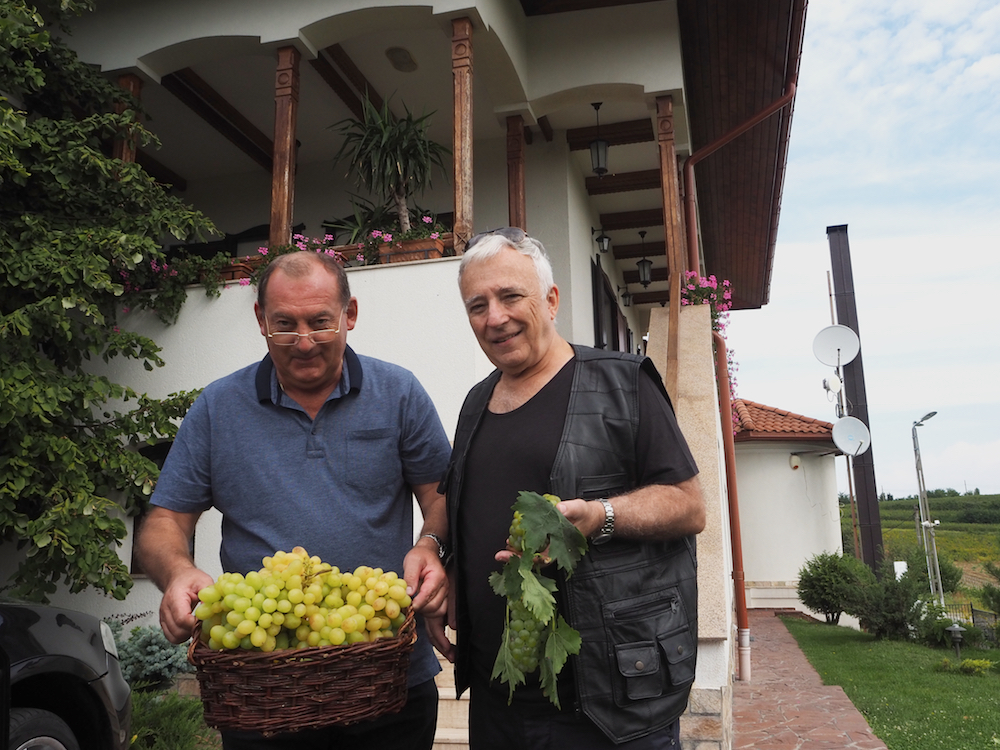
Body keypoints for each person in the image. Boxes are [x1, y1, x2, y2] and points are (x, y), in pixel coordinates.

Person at [136, 250, 453, 750]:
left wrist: (431, 544)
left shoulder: (398, 392)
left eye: (320, 323)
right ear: (260, 319)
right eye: (284, 324)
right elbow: (164, 521)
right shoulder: (218, 407)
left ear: (350, 315)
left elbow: (442, 497)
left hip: (387, 672)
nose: (303, 343)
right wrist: (177, 573)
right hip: (262, 684)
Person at [435, 228, 706, 749]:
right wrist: (432, 547)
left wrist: (602, 516)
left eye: (511, 296)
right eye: (477, 305)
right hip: (501, 695)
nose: (495, 317)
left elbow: (688, 504)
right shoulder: (476, 401)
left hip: (607, 700)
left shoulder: (623, 382)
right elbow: (455, 497)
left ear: (551, 300)